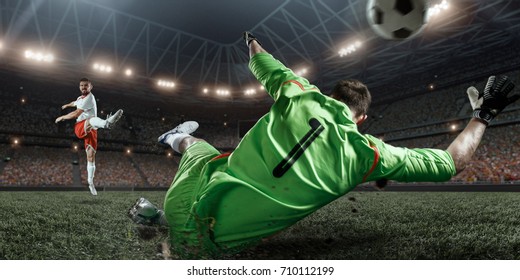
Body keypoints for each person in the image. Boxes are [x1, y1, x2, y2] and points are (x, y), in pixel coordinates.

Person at [128, 32, 519, 257]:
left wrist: (252, 41)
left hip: (186, 197)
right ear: (361, 118)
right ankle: (163, 220)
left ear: (332, 97)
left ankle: (172, 141)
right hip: (218, 239)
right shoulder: (369, 155)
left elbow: (260, 59)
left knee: (199, 149)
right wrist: (484, 114)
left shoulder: (300, 93)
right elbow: (454, 161)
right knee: (199, 226)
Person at [55, 77, 124, 195]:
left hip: (92, 128)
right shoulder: (80, 98)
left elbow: (76, 113)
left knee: (91, 156)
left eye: (86, 85)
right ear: (79, 87)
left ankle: (90, 182)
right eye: (81, 85)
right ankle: (107, 123)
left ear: (90, 87)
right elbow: (75, 104)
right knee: (92, 120)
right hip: (80, 127)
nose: (83, 87)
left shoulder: (90, 98)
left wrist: (62, 117)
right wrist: (67, 105)